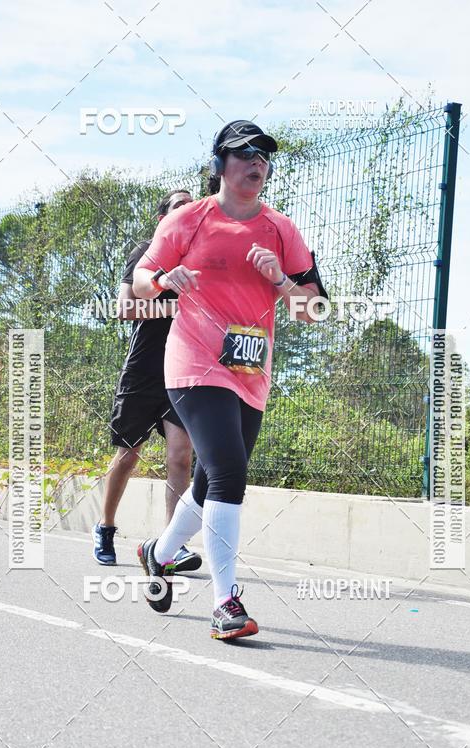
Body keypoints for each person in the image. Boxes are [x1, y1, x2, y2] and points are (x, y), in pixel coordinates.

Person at [133, 120, 326, 638]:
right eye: (244, 154)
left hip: (250, 370)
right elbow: (139, 283)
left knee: (209, 482)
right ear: (220, 164)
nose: (256, 163)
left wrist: (281, 280)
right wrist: (164, 279)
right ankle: (225, 604)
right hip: (194, 365)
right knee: (228, 474)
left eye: (263, 156)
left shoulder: (281, 229)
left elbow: (314, 310)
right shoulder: (188, 219)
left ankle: (159, 552)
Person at [92, 189, 202, 574]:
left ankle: (172, 545)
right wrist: (175, 306)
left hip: (183, 371)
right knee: (128, 456)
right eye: (179, 205)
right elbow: (125, 307)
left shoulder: (199, 257)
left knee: (181, 456)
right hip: (143, 371)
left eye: (192, 205)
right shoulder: (146, 252)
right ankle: (105, 527)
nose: (187, 209)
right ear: (162, 219)